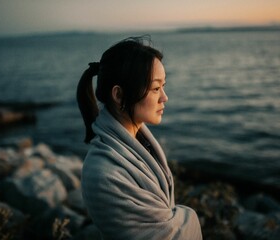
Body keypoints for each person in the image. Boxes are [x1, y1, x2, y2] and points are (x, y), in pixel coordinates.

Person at [76, 36, 202, 240]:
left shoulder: (139, 144)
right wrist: (190, 216)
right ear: (119, 96)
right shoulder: (102, 173)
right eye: (155, 88)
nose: (164, 97)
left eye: (163, 86)